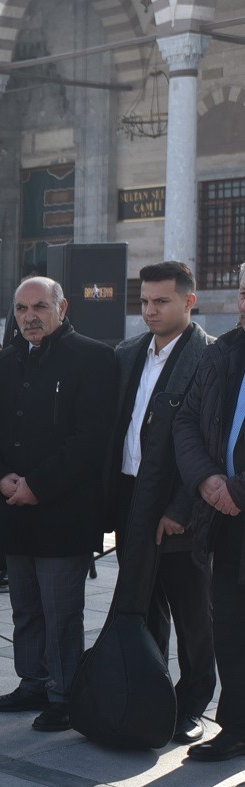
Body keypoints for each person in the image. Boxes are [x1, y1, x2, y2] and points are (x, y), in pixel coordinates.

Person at [0, 277, 118, 733]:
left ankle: (65, 694)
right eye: (21, 308)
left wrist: (38, 484)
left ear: (62, 307)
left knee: (61, 611)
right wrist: (1, 478)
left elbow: (91, 439)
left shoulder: (95, 358)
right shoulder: (2, 362)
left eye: (39, 306)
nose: (29, 316)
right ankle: (32, 681)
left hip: (63, 511)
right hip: (12, 506)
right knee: (25, 607)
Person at [106, 261, 215, 745]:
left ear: (189, 302)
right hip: (131, 496)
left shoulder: (210, 359)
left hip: (180, 505)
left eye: (162, 301)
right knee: (143, 604)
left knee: (193, 612)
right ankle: (151, 697)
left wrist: (180, 508)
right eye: (145, 301)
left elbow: (207, 443)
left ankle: (192, 703)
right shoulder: (128, 353)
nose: (150, 310)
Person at [173, 262, 245, 761]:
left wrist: (239, 487)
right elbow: (187, 423)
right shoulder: (223, 352)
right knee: (231, 625)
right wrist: (208, 480)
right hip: (224, 516)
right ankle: (237, 725)